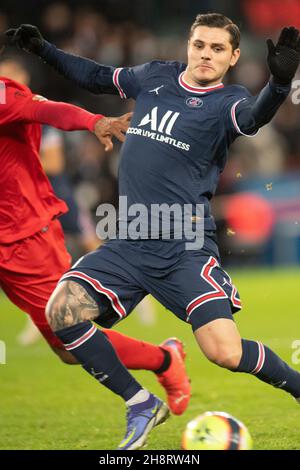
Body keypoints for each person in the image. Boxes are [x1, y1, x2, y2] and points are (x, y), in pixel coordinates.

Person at [7, 13, 300, 450]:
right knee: (62, 312)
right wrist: (43, 50)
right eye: (200, 44)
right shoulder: (155, 77)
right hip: (129, 241)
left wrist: (277, 86)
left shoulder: (229, 102)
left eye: (218, 49)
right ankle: (140, 401)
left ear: (234, 56)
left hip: (184, 246)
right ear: (188, 44)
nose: (206, 54)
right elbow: (97, 76)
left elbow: (255, 118)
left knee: (225, 353)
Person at [0, 52, 191, 439]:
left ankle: (162, 362)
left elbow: (49, 112)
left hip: (22, 236)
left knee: (69, 343)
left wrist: (94, 121)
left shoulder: (4, 96)